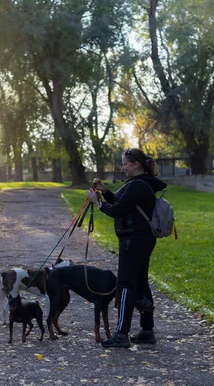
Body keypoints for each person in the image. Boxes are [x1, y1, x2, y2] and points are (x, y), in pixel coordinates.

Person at [86, 147, 167, 348]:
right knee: (141, 284)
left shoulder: (137, 185)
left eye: (125, 164)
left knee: (125, 286)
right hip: (143, 240)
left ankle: (122, 334)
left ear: (136, 164)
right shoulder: (142, 184)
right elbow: (125, 203)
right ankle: (147, 330)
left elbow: (118, 210)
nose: (123, 168)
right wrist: (105, 192)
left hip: (133, 242)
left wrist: (98, 203)